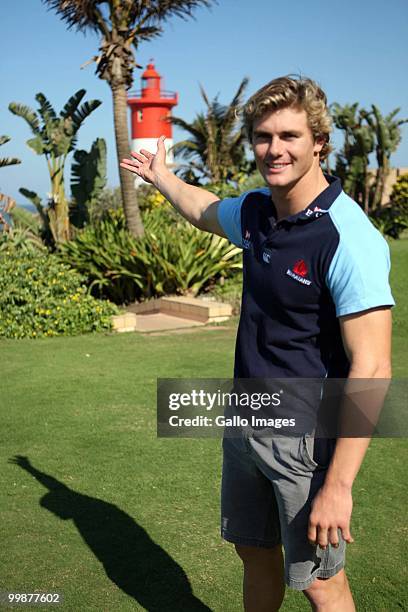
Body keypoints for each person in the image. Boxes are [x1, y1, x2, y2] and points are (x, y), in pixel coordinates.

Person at [121, 75, 394, 611]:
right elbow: (204, 209)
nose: (275, 149)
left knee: (320, 581)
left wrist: (338, 485)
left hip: (305, 438)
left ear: (319, 141)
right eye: (264, 137)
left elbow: (374, 364)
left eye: (289, 136)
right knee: (254, 551)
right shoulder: (256, 213)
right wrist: (161, 177)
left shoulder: (348, 237)